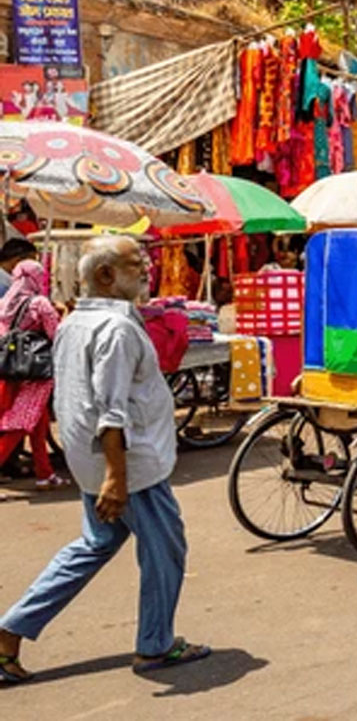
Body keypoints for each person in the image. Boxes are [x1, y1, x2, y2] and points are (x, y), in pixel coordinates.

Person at [0, 237, 210, 685]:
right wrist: (117, 477)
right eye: (136, 264)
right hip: (130, 468)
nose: (147, 269)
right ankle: (155, 645)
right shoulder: (114, 330)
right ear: (106, 276)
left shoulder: (76, 321)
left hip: (93, 463)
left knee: (94, 545)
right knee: (166, 551)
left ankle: (9, 631)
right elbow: (110, 409)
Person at [0, 260, 65, 489]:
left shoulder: (5, 302)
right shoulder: (39, 303)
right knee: (19, 424)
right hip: (35, 371)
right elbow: (56, 334)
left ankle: (45, 473)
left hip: (10, 369)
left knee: (38, 423)